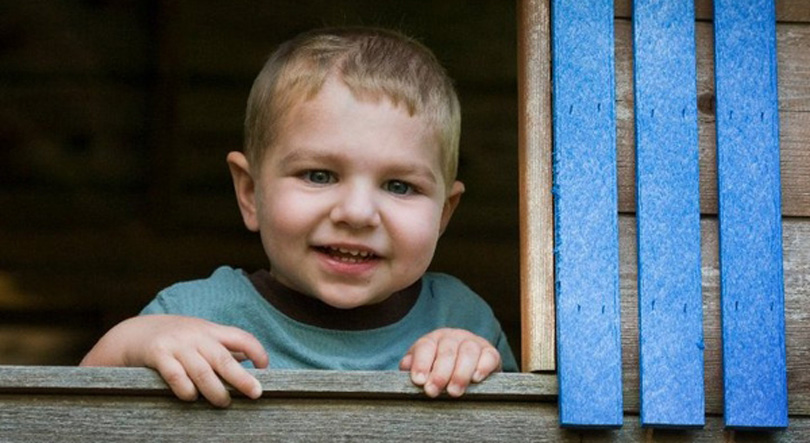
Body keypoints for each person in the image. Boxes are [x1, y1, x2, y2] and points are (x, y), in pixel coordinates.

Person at [80, 26, 518, 407]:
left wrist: (477, 367)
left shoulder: (461, 319)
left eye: (399, 186)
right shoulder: (192, 314)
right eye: (320, 175)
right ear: (250, 193)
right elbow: (68, 417)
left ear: (444, 214)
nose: (357, 213)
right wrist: (131, 343)